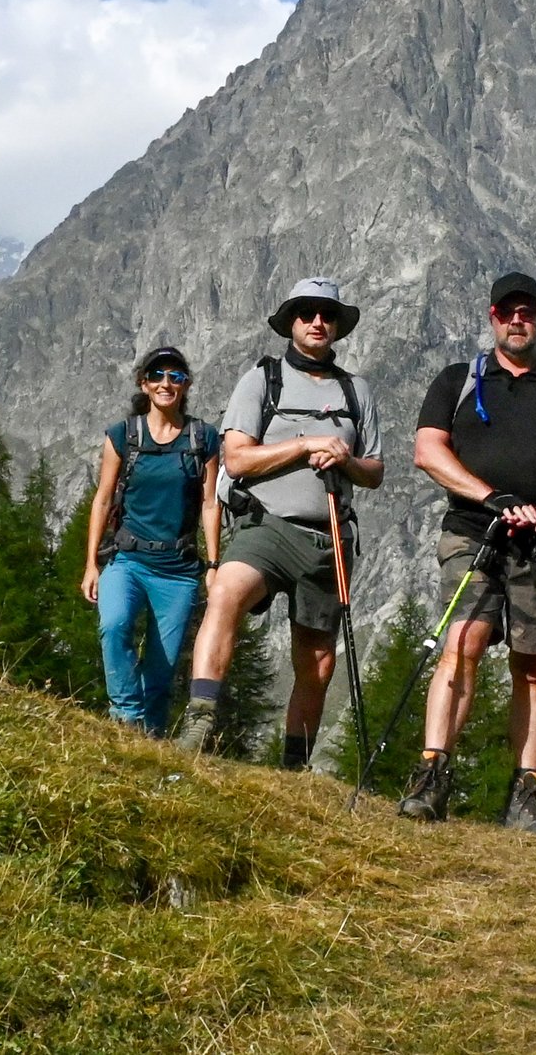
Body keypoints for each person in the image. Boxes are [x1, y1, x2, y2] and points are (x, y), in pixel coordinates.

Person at [402, 272, 536, 832]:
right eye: (507, 312)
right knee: (460, 645)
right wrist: (492, 497)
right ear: (493, 317)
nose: (518, 321)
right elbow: (427, 450)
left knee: (532, 665)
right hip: (473, 531)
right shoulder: (458, 379)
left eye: (528, 312)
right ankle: (432, 774)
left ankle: (525, 791)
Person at [174, 279, 384, 765]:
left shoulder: (357, 390)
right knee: (226, 592)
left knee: (317, 658)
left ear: (337, 326)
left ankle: (294, 764)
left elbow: (374, 471)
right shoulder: (261, 379)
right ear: (290, 321)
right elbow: (237, 459)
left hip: (330, 536)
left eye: (327, 315)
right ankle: (201, 721)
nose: (318, 323)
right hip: (266, 525)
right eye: (307, 313)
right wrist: (306, 444)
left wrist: (346, 462)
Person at [81, 346, 221, 735]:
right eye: (157, 375)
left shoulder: (204, 438)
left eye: (176, 376)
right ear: (144, 383)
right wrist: (92, 563)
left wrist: (213, 564)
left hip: (178, 571)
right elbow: (103, 498)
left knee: (162, 669)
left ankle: (152, 740)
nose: (166, 383)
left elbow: (211, 503)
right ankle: (125, 720)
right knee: (115, 625)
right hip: (127, 560)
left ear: (186, 385)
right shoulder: (122, 436)